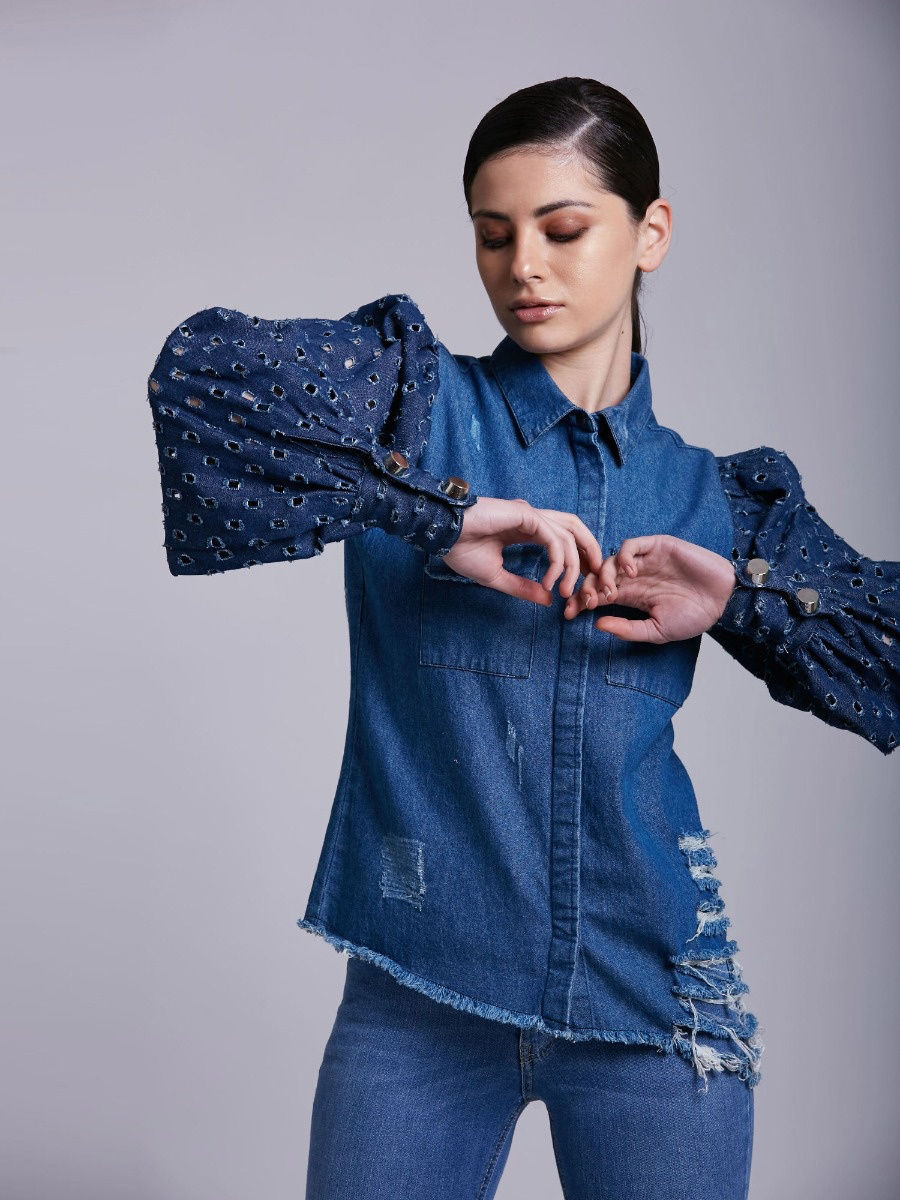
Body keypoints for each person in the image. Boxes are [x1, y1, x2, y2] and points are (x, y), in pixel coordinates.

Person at [145, 77, 898, 1200]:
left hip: (658, 1004)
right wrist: (435, 512)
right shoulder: (409, 410)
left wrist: (743, 598)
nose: (522, 267)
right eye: (493, 235)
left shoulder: (718, 498)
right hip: (418, 998)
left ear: (651, 233)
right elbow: (199, 385)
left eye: (563, 229)